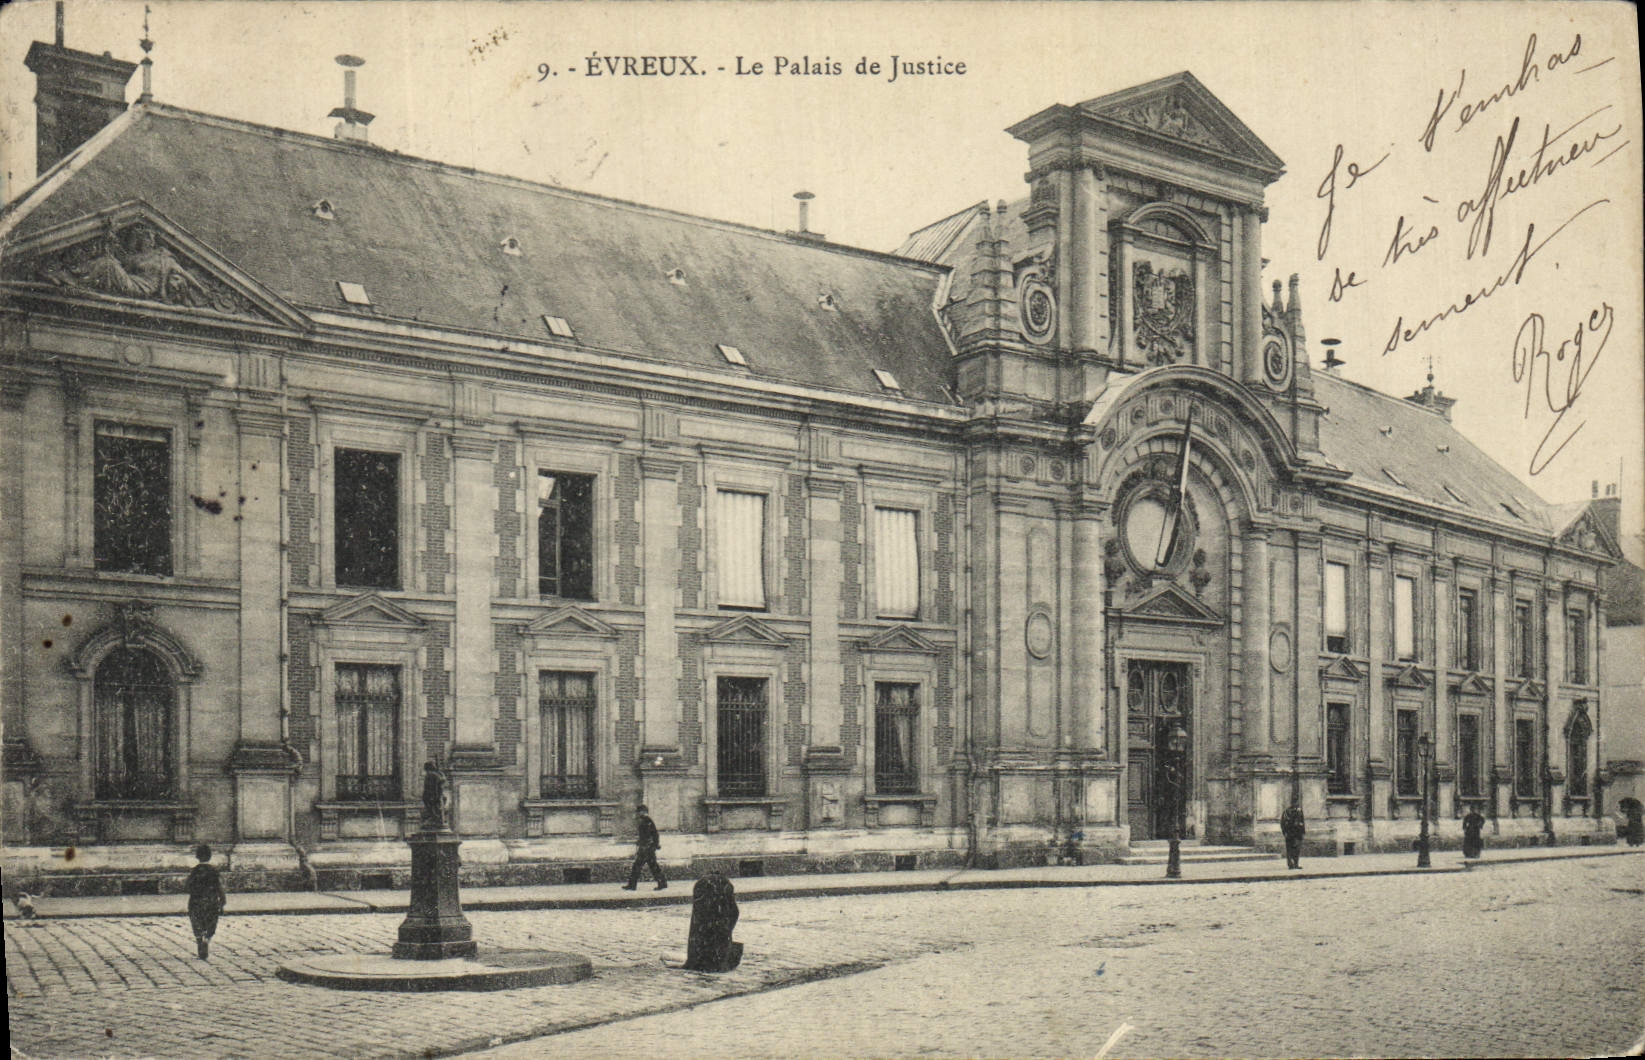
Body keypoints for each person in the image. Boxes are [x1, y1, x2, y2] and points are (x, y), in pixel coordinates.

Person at [682, 872, 742, 972]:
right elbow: (734, 912)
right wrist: (727, 931)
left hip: (701, 951)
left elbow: (696, 924)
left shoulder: (702, 887)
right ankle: (714, 960)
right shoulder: (724, 886)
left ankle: (705, 959)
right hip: (719, 948)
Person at [186, 844, 226, 960]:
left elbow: (187, 886)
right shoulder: (214, 871)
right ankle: (207, 939)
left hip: (196, 901)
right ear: (210, 856)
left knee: (197, 922)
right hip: (211, 901)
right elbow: (220, 887)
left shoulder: (194, 871)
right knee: (211, 923)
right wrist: (222, 902)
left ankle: (199, 939)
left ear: (197, 856)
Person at [623, 804, 667, 891]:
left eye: (639, 812)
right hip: (647, 848)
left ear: (643, 812)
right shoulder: (645, 821)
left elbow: (654, 834)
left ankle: (632, 885)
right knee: (652, 866)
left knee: (639, 866)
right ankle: (662, 883)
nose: (638, 814)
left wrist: (654, 844)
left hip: (647, 849)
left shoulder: (647, 821)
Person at [1280, 802, 1306, 870]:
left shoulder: (1299, 811)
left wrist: (1303, 832)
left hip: (1297, 833)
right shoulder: (1286, 812)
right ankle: (1291, 864)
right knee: (1290, 849)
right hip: (1290, 833)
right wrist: (1284, 832)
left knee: (1296, 849)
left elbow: (1302, 822)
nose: (1296, 805)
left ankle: (1295, 864)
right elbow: (1282, 823)